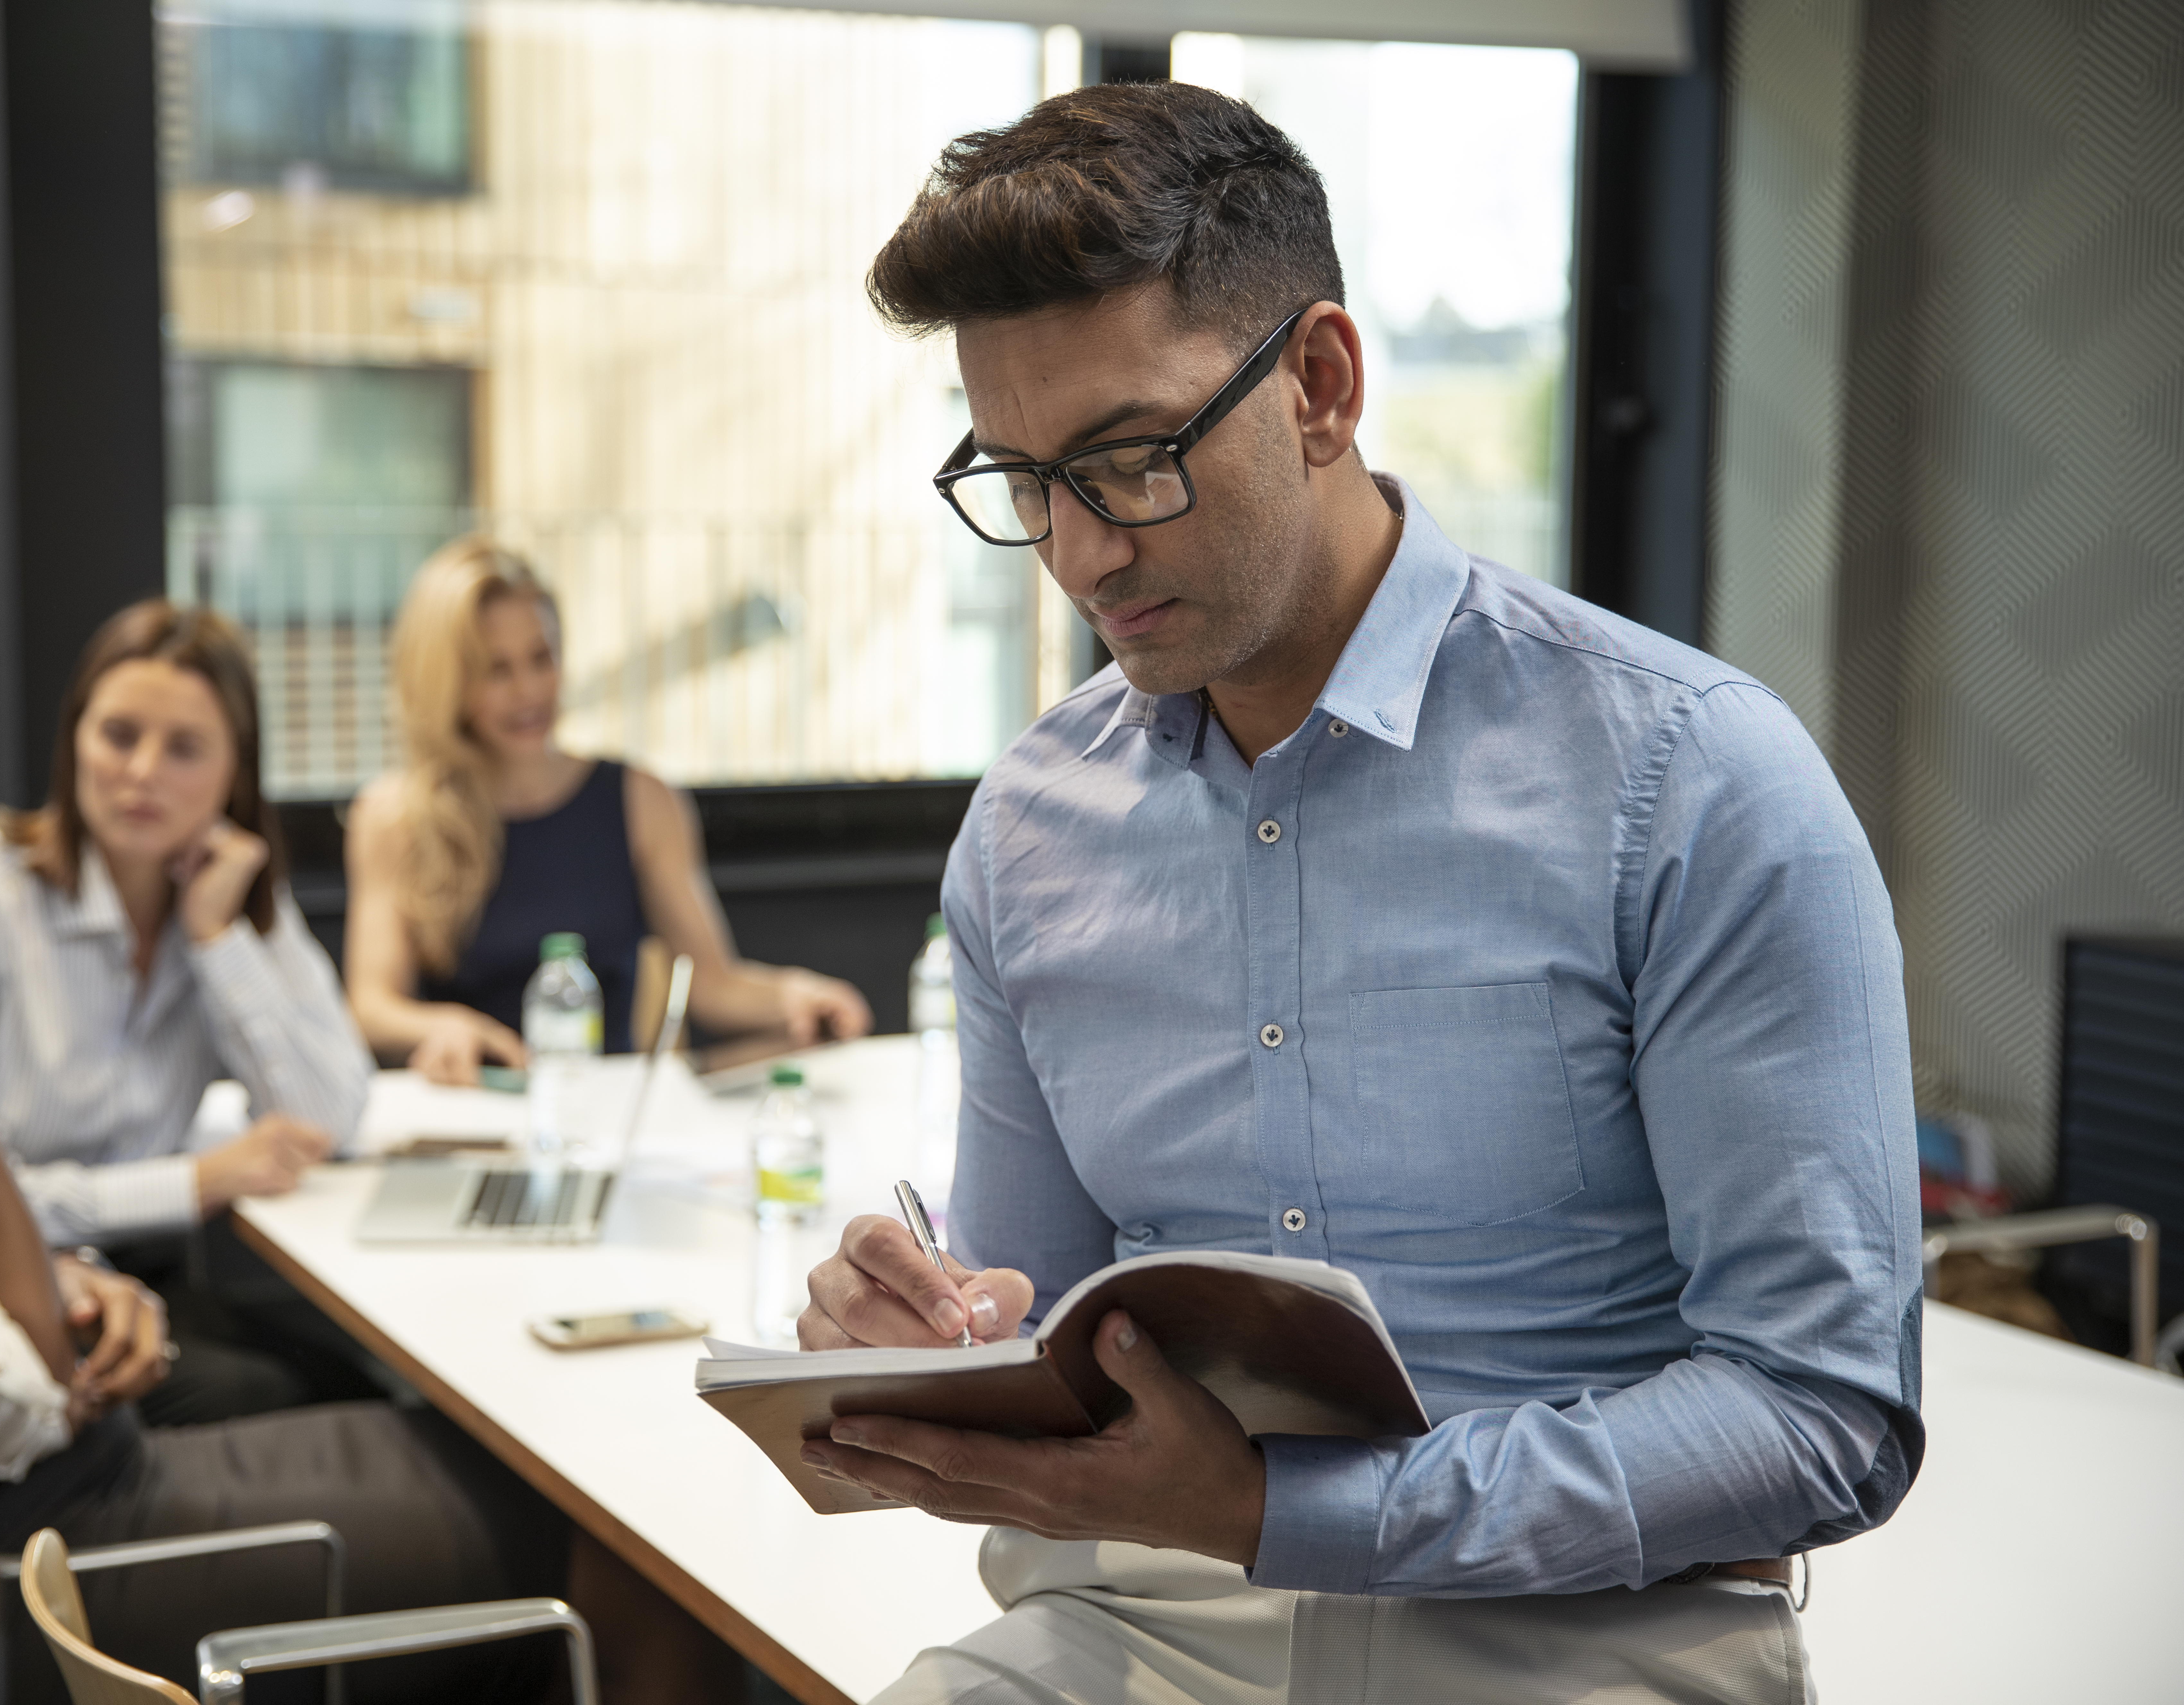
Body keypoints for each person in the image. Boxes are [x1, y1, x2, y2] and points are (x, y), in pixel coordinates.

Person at [795, 84, 1921, 1705]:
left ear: (1317, 384)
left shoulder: (1690, 779)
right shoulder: (1032, 828)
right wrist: (928, 1341)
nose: (1079, 556)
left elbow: (1819, 1412)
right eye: (1022, 477)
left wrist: (1283, 1511)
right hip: (1131, 1626)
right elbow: (1027, 1323)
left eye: (1126, 459)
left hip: (1590, 1645)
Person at [0, 754, 594, 1705]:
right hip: (17, 1558)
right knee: (591, 1528)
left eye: (186, 749)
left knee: (499, 1456)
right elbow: (33, 1397)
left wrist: (68, 1277)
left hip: (68, 1482)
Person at [0, 601, 375, 1423]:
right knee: (296, 1406)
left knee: (363, 1393)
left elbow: (323, 1119)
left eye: (185, 749)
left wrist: (217, 941)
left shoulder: (226, 905)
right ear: (75, 742)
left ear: (236, 774)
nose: (143, 772)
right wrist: (190, 1183)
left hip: (137, 1282)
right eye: (119, 735)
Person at [345, 539, 872, 1081]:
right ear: (448, 683)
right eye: (496, 671)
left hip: (605, 1113)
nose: (529, 690)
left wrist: (796, 996)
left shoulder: (642, 800)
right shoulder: (392, 817)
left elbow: (713, 983)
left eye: (541, 658)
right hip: (466, 1110)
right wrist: (443, 1028)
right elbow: (371, 1004)